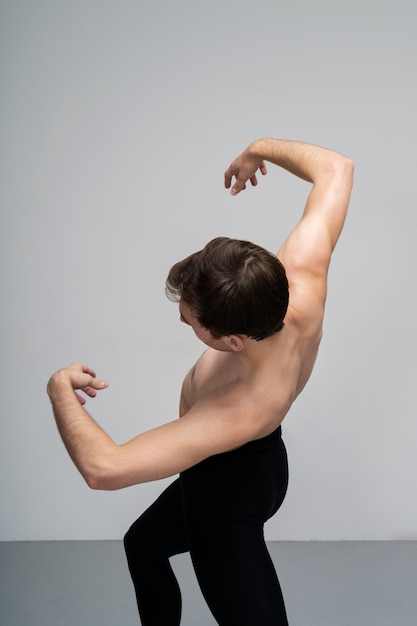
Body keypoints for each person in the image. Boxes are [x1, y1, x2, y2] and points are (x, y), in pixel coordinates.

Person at [47, 137, 354, 625]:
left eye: (190, 321)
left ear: (234, 341)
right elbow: (336, 168)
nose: (182, 323)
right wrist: (260, 148)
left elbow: (103, 469)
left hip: (226, 495)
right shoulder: (300, 280)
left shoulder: (240, 405)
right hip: (262, 463)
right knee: (143, 546)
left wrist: (59, 390)